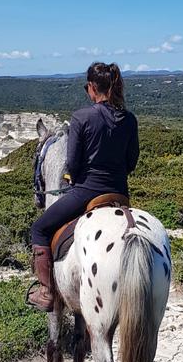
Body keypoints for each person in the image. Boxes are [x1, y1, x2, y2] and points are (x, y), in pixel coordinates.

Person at [28, 62, 140, 312]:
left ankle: (46, 292)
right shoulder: (130, 119)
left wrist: (72, 178)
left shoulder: (81, 117)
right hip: (120, 193)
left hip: (87, 191)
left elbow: (73, 163)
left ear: (91, 88)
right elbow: (131, 162)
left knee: (39, 229)